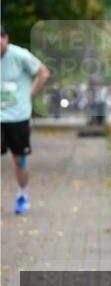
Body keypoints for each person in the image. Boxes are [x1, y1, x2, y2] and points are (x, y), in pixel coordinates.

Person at [0, 25, 50, 215]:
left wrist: (30, 94)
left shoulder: (20, 55)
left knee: (19, 159)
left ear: (6, 38)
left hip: (17, 116)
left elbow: (43, 72)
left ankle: (22, 195)